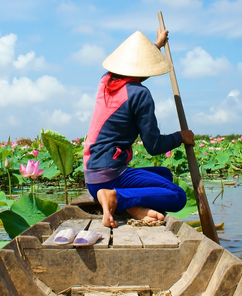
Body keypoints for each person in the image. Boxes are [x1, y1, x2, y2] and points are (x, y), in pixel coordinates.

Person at [83, 28, 194, 228]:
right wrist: (181, 137)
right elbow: (153, 145)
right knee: (178, 195)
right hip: (110, 176)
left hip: (92, 176)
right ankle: (117, 198)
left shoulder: (105, 81)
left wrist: (157, 44)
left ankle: (128, 204)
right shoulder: (140, 94)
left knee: (164, 175)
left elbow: (134, 62)